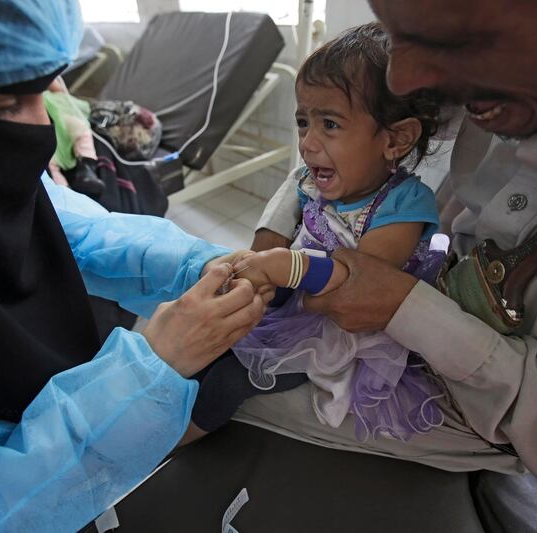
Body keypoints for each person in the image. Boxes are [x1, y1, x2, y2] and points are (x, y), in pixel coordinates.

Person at [242, 0, 537, 525]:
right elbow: (329, 145)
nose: (406, 75)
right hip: (397, 318)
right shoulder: (491, 77)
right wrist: (269, 237)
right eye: (401, 35)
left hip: (478, 409)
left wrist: (413, 313)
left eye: (456, 37)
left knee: (210, 381)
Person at [0, 1, 271, 531]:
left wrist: (215, 266)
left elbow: (85, 234)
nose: (42, 133)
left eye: (49, 92)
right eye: (5, 105)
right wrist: (150, 370)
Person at [185, 23, 446, 445]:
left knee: (231, 380)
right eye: (304, 122)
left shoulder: (404, 206)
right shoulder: (312, 180)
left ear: (396, 139)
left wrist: (282, 266)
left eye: (329, 124)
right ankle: (168, 398)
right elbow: (276, 226)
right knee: (207, 338)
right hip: (293, 297)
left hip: (340, 329)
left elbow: (362, 281)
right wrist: (256, 262)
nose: (307, 143)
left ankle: (178, 440)